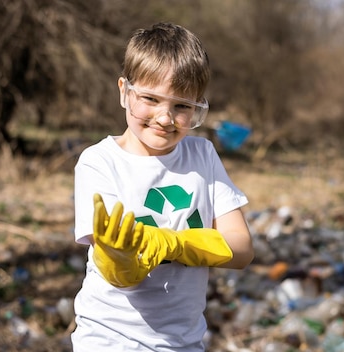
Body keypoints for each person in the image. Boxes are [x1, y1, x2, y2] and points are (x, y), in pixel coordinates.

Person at [71, 22, 254, 351]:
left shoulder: (203, 155)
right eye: (151, 99)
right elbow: (114, 268)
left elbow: (241, 248)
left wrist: (174, 244)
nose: (165, 117)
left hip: (182, 342)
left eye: (182, 106)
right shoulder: (99, 162)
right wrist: (122, 260)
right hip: (107, 340)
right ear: (124, 92)